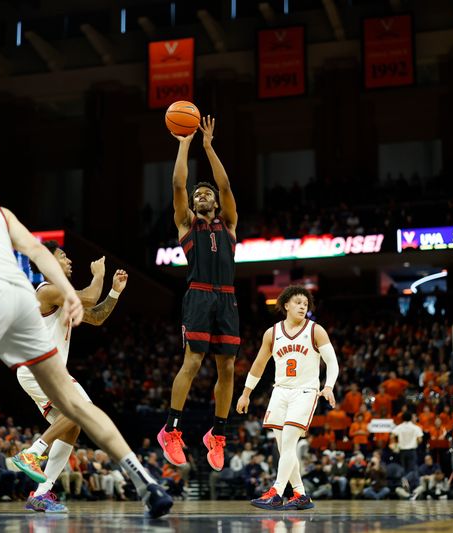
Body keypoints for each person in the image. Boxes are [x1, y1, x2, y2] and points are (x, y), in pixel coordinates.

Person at [0, 143, 171, 522]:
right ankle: (145, 483)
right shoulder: (0, 212)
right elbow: (38, 254)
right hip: (19, 298)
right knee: (76, 407)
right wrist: (72, 295)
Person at [12, 246, 129, 512]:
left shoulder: (61, 297)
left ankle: (41, 493)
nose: (69, 259)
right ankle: (32, 452)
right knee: (82, 410)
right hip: (39, 367)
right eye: (62, 256)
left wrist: (114, 292)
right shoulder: (46, 290)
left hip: (45, 370)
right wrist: (98, 276)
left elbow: (96, 317)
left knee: (73, 425)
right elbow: (88, 297)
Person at [159, 116, 240, 472]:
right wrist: (185, 142)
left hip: (228, 298)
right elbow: (179, 182)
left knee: (228, 367)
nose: (201, 195)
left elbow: (224, 185)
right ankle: (171, 431)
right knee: (192, 363)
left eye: (205, 193)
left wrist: (209, 146)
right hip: (198, 295)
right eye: (197, 195)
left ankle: (217, 435)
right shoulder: (186, 223)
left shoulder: (229, 222)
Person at [235, 286, 339, 511]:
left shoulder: (315, 330)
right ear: (286, 305)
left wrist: (328, 386)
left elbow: (332, 361)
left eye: (306, 304)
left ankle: (277, 492)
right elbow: (259, 364)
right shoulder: (272, 333)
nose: (303, 306)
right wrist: (245, 393)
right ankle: (301, 494)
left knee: (290, 442)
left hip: (305, 391)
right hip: (280, 391)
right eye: (298, 302)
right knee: (284, 448)